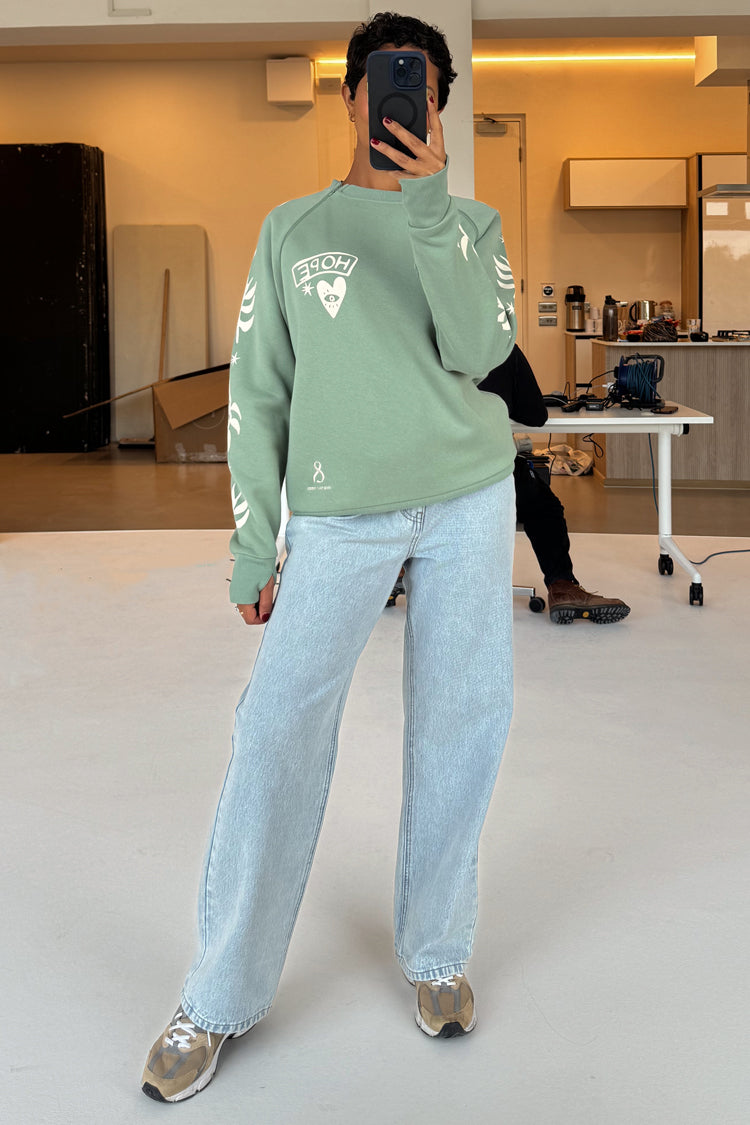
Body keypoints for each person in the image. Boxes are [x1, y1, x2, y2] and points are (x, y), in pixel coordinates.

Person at [141, 12, 519, 1104]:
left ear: (438, 108)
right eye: (392, 81)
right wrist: (253, 541)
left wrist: (432, 207)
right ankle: (218, 993)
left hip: (467, 502)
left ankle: (437, 951)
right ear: (352, 96)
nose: (409, 100)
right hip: (339, 519)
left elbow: (482, 350)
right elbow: (257, 395)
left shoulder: (473, 222)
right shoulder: (292, 231)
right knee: (276, 733)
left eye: (427, 87)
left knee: (461, 724)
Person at [478, 346, 630, 625]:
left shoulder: (418, 343)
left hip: (429, 476)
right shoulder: (500, 347)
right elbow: (535, 416)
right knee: (543, 507)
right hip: (485, 470)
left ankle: (399, 572)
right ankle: (562, 587)